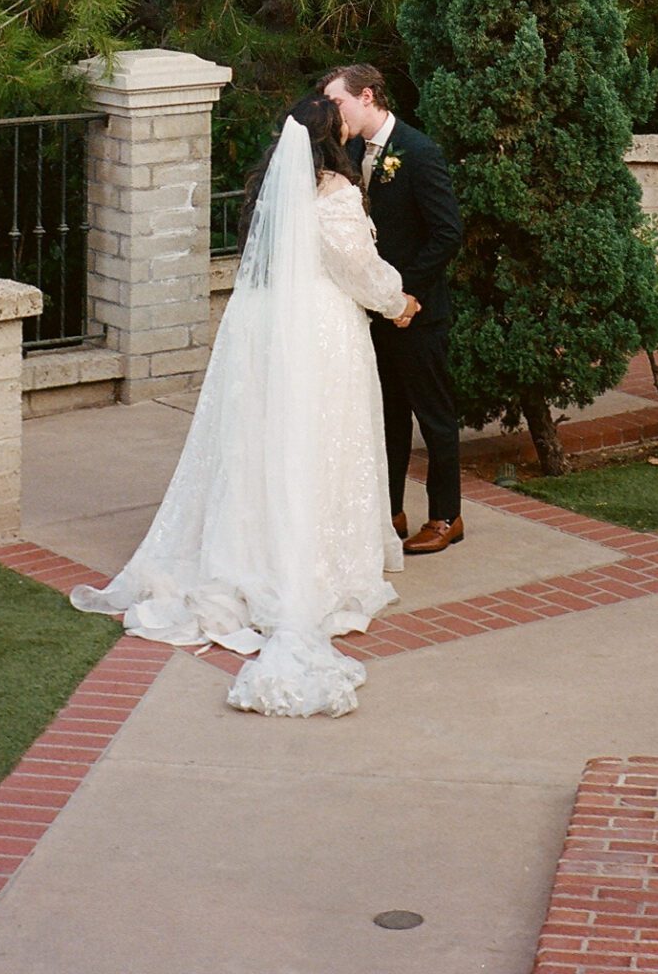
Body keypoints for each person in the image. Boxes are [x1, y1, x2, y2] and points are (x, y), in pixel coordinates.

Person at [70, 94, 411, 717]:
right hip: (317, 332)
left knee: (261, 437)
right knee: (321, 437)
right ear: (334, 140)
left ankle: (249, 543)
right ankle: (310, 558)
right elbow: (358, 267)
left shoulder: (272, 190)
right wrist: (397, 301)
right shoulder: (332, 192)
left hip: (261, 326)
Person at [321, 63, 465, 553]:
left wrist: (405, 293)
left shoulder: (420, 153)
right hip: (376, 309)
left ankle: (447, 515)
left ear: (367, 97)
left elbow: (447, 233)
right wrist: (379, 297)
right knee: (386, 417)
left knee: (435, 416)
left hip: (418, 310)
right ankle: (390, 512)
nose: (331, 111)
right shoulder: (351, 152)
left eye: (337, 102)